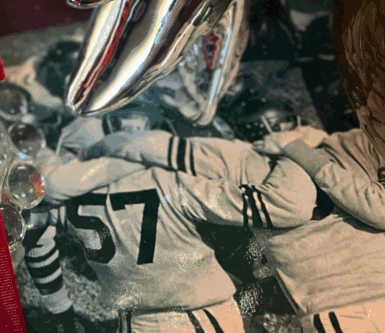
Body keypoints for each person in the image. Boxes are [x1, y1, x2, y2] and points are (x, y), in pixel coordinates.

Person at [101, 124, 385, 333]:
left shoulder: (242, 157)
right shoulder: (359, 143)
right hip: (345, 308)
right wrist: (298, 148)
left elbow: (167, 149)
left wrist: (102, 146)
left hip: (336, 311)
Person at [34, 130, 316, 333]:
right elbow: (287, 207)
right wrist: (294, 151)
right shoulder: (172, 182)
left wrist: (59, 304)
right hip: (205, 318)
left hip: (136, 323)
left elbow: (34, 231)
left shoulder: (68, 200)